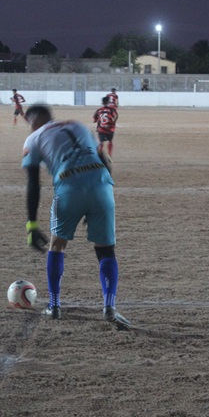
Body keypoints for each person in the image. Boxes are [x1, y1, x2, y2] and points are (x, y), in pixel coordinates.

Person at [21, 105, 130, 330]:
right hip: (102, 186)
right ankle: (110, 307)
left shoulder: (33, 138)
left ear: (32, 121)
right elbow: (105, 159)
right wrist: (100, 196)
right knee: (106, 250)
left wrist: (32, 224)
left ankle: (54, 306)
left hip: (69, 186)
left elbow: (33, 182)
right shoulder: (78, 125)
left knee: (57, 245)